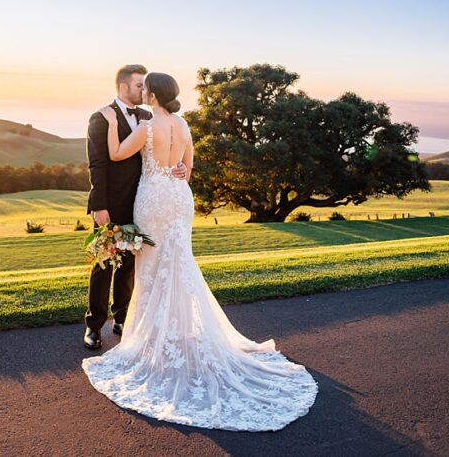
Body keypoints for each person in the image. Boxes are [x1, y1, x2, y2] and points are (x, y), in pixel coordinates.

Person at [81, 71, 318, 431]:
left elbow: (114, 154)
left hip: (154, 200)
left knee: (151, 267)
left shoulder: (145, 127)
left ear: (155, 96)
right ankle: (165, 330)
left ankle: (152, 339)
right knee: (178, 263)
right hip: (178, 199)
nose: (142, 91)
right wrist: (176, 169)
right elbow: (186, 170)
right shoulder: (185, 125)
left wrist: (114, 122)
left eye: (146, 88)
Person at [83, 64, 187, 350]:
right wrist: (99, 204)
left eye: (146, 86)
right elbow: (98, 163)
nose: (144, 90)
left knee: (130, 264)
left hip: (144, 203)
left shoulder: (147, 117)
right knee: (104, 264)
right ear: (123, 87)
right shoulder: (102, 118)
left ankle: (122, 317)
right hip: (112, 204)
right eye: (139, 85)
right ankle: (94, 326)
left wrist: (178, 167)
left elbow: (165, 152)